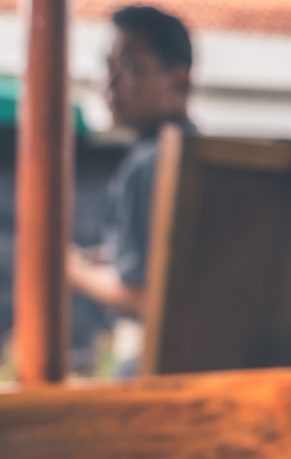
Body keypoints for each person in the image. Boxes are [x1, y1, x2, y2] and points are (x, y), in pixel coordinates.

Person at [67, 6, 195, 377]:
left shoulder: (151, 162)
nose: (110, 84)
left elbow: (141, 293)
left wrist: (70, 268)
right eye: (109, 68)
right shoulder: (199, 153)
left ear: (179, 82)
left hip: (148, 361)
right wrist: (109, 257)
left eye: (130, 68)